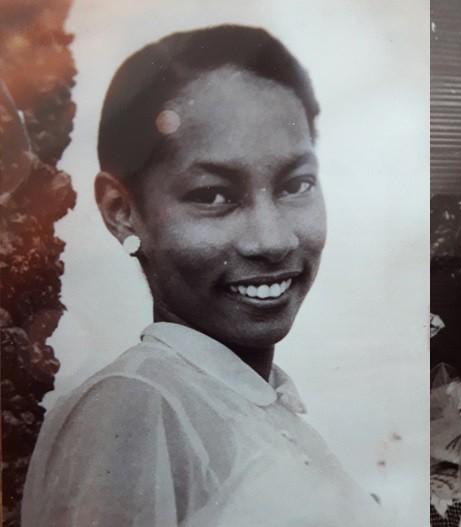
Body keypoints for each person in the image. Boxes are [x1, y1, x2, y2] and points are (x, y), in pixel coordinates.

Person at [22, 25, 385, 526]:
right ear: (121, 209)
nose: (271, 239)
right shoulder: (137, 405)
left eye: (296, 184)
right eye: (214, 195)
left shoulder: (240, 404)